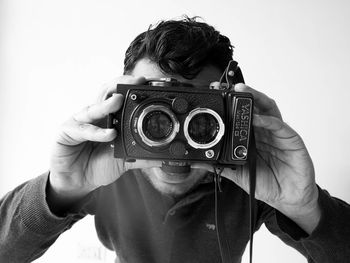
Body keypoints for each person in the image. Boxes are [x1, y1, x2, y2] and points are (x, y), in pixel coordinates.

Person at [0, 17, 349, 263]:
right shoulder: (104, 167)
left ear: (230, 110)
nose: (178, 137)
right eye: (155, 116)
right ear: (121, 102)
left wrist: (306, 207)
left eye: (201, 119)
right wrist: (59, 189)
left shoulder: (252, 178)